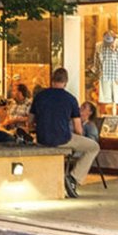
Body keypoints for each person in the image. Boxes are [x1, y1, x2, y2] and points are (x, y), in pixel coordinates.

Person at [29, 67, 100, 198]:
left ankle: (70, 178)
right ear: (66, 82)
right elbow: (78, 129)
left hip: (42, 138)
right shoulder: (71, 99)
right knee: (94, 147)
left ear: (52, 80)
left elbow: (30, 122)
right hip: (63, 138)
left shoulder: (39, 96)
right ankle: (73, 178)